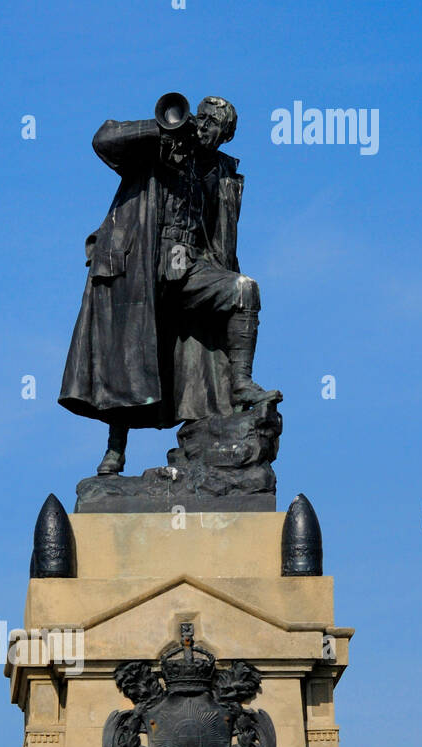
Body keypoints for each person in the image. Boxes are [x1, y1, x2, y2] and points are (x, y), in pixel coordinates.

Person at [59, 95, 281, 475]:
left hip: (191, 265)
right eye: (203, 117)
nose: (206, 126)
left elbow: (221, 238)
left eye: (216, 125)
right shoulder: (159, 147)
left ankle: (240, 383)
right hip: (142, 262)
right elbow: (103, 139)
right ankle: (116, 448)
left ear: (225, 137)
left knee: (245, 289)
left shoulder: (222, 172)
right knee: (131, 354)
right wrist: (160, 128)